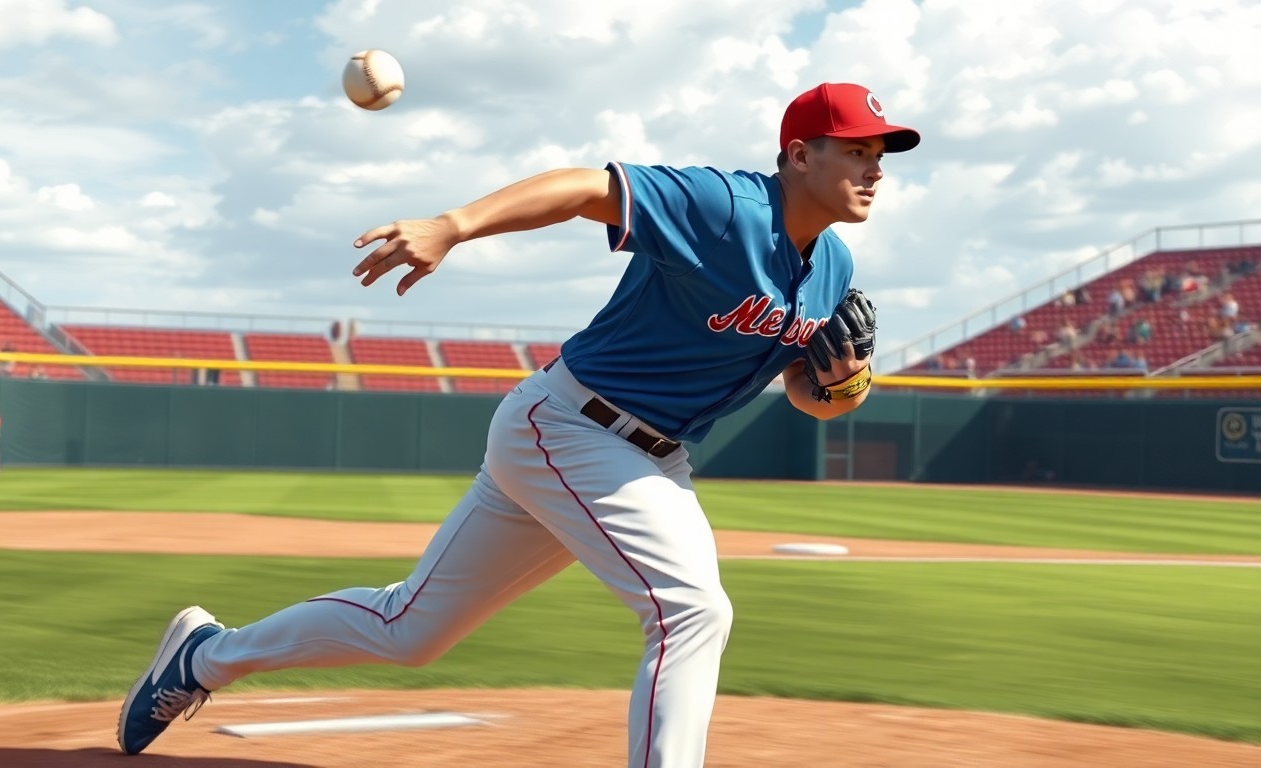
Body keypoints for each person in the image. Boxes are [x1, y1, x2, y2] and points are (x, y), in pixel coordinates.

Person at [117, 82, 921, 765]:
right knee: (691, 611)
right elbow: (586, 187)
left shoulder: (834, 267)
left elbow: (806, 389)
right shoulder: (726, 207)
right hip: (570, 426)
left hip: (646, 458)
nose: (874, 168)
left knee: (410, 628)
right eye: (856, 150)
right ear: (799, 155)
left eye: (880, 154)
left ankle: (204, 656)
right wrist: (453, 225)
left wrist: (840, 385)